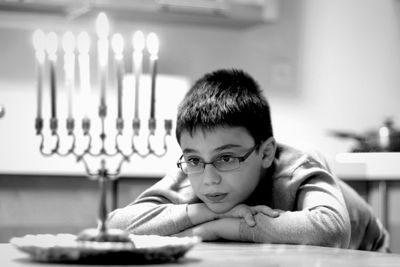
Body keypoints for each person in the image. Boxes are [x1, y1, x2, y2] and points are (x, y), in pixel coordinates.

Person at [108, 68, 390, 252]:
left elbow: (332, 231)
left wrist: (223, 228)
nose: (209, 179)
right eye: (193, 159)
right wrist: (208, 213)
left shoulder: (298, 165)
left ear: (266, 153)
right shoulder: (194, 172)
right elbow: (114, 226)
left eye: (227, 157)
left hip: (369, 253)